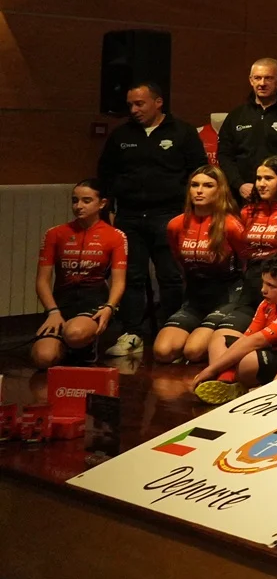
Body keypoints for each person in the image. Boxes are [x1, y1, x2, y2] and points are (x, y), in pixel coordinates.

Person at [95, 80, 207, 352]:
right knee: (132, 276)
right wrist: (106, 212)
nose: (134, 110)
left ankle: (170, 330)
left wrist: (193, 213)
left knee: (170, 275)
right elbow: (105, 175)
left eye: (140, 103)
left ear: (158, 103)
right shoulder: (122, 136)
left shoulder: (182, 132)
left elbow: (200, 174)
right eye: (130, 104)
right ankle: (132, 333)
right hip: (129, 216)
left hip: (169, 215)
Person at [189, 252, 277, 403]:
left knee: (248, 361)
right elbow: (247, 336)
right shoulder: (268, 302)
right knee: (219, 341)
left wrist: (211, 369)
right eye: (263, 282)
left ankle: (233, 382)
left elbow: (257, 340)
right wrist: (222, 366)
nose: (263, 290)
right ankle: (226, 381)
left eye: (271, 286)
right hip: (269, 349)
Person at [152, 166, 247, 365]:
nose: (199, 190)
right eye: (195, 185)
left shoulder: (230, 224)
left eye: (208, 185)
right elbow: (178, 259)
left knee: (193, 351)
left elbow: (245, 262)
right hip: (195, 298)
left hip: (226, 296)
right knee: (162, 351)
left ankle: (207, 341)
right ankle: (197, 336)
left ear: (219, 190)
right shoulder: (176, 225)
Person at [217, 156, 277, 337]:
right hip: (252, 287)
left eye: (268, 178)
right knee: (219, 340)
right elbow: (241, 250)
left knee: (256, 347)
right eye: (258, 178)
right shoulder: (247, 212)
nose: (261, 184)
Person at [33, 180, 127, 368]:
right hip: (62, 303)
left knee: (74, 333)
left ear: (102, 204)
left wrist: (109, 307)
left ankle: (85, 342)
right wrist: (52, 312)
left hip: (94, 302)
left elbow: (119, 281)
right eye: (75, 201)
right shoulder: (55, 233)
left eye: (86, 201)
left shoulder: (115, 236)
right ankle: (69, 347)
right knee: (43, 358)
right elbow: (42, 281)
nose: (78, 206)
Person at [217, 58, 277, 201]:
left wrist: (269, 184)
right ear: (251, 80)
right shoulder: (236, 116)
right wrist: (239, 184)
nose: (262, 83)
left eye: (268, 78)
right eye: (257, 78)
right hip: (242, 194)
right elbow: (225, 155)